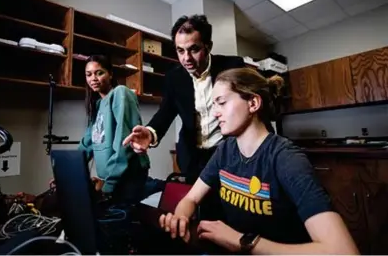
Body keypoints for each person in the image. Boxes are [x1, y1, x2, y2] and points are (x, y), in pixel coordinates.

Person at [158, 68, 359, 254]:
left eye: (221, 102)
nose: (214, 112)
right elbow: (191, 199)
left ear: (253, 103)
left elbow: (342, 251)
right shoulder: (225, 151)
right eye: (213, 105)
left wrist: (244, 241)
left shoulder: (286, 158)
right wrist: (181, 217)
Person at [123, 14, 246, 185]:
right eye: (180, 51)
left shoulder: (232, 66)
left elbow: (250, 108)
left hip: (228, 152)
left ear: (208, 46)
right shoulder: (174, 78)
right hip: (192, 158)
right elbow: (165, 112)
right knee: (197, 206)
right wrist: (150, 133)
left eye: (194, 49)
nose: (186, 58)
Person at [77, 54, 150, 206]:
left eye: (99, 73)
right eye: (88, 74)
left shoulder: (120, 93)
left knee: (121, 224)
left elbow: (124, 142)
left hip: (127, 178)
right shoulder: (97, 106)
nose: (93, 79)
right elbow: (87, 144)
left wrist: (108, 184)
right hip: (110, 180)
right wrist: (67, 175)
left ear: (110, 74)